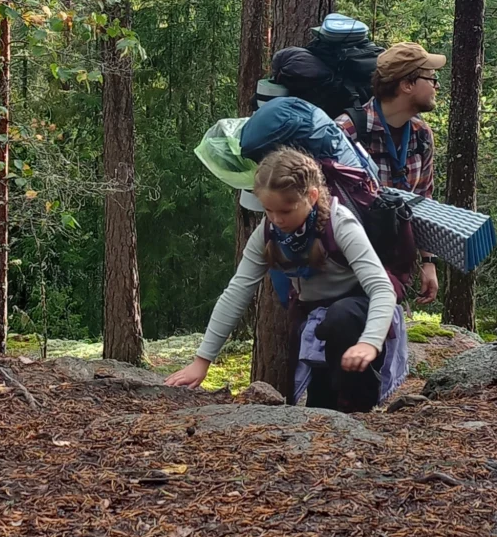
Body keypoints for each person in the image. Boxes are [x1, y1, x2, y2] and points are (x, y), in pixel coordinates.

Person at [165, 147, 406, 410]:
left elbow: (382, 288)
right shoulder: (267, 233)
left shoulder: (341, 224)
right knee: (320, 406)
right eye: (269, 210)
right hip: (317, 319)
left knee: (341, 318)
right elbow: (237, 291)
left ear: (311, 196)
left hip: (360, 313)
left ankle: (360, 411)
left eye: (287, 210)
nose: (277, 219)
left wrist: (369, 343)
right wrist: (203, 360)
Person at [336, 41, 443, 304]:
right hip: (347, 268)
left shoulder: (422, 135)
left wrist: (428, 262)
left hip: (395, 265)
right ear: (407, 85)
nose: (436, 86)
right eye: (431, 78)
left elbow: (423, 199)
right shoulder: (347, 132)